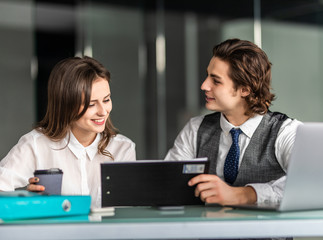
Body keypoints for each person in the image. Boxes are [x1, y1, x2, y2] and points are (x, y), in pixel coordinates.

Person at [165, 38, 302, 206]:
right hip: (208, 232)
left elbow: (310, 181)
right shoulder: (195, 128)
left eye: (216, 81)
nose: (204, 85)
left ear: (245, 89)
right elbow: (168, 186)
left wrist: (244, 194)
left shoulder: (286, 131)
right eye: (207, 76)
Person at [0, 56, 136, 208]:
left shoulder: (123, 149)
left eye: (106, 100)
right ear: (66, 105)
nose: (103, 111)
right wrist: (27, 200)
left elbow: (126, 212)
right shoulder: (35, 145)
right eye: (91, 104)